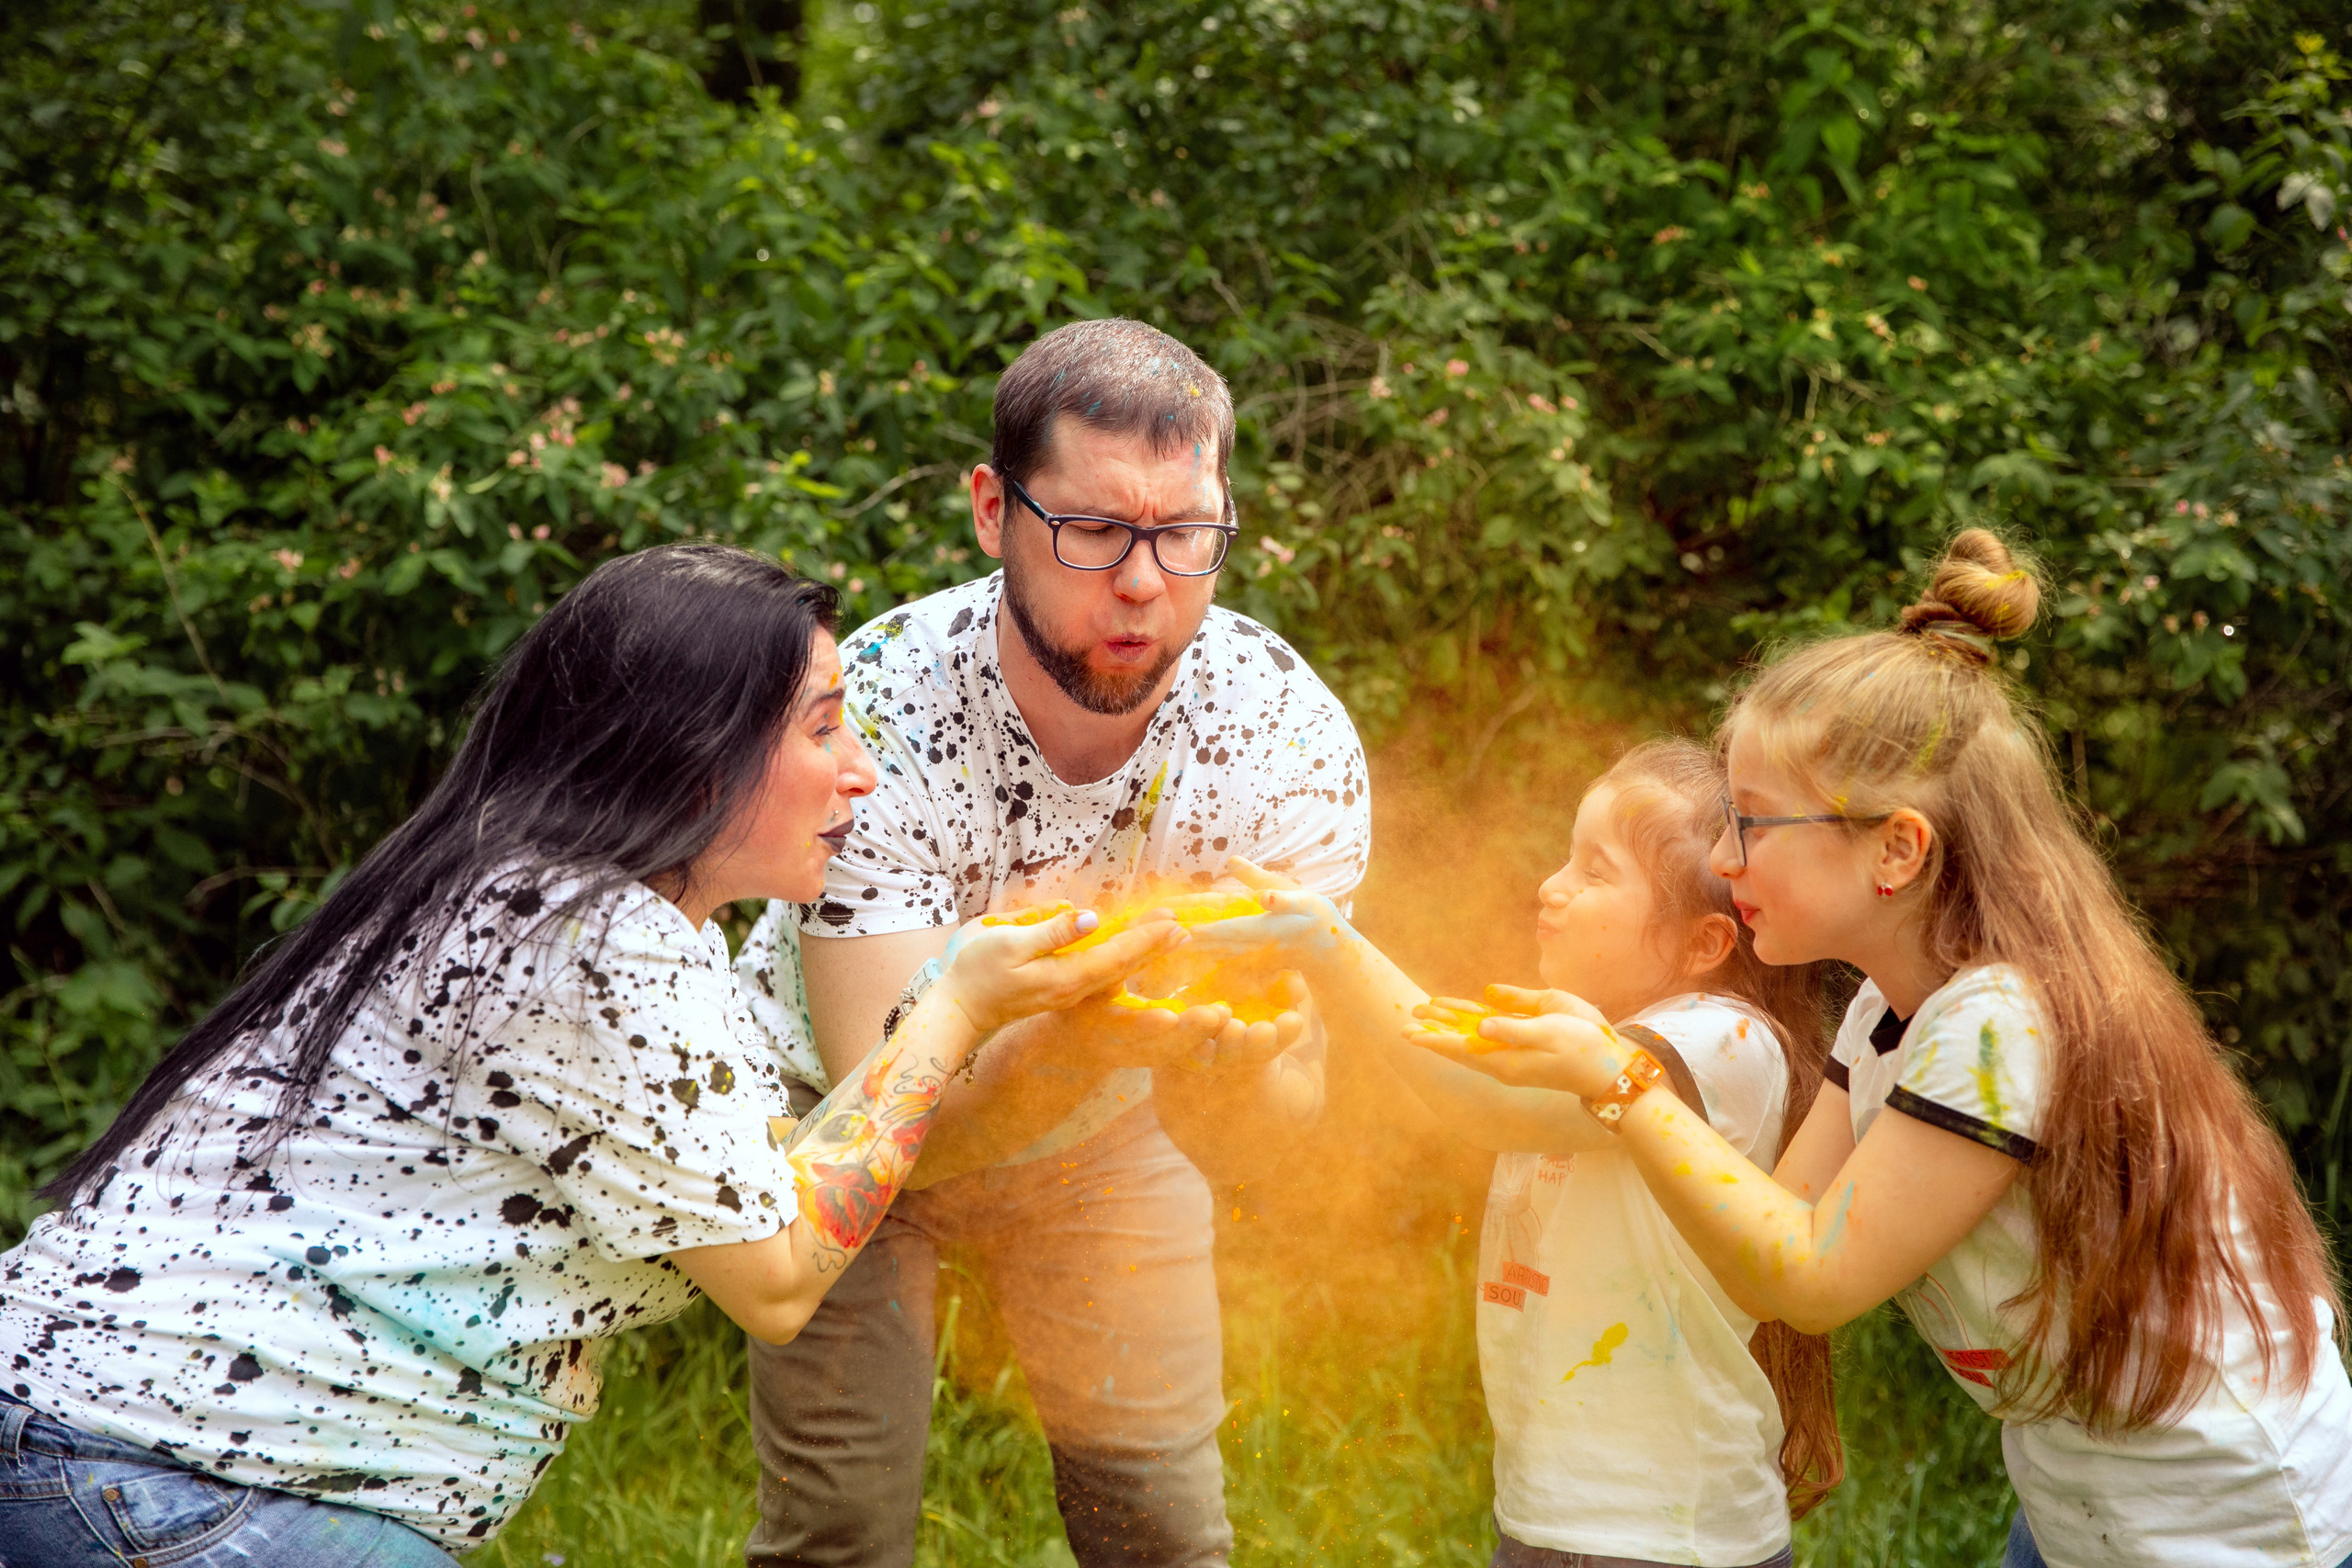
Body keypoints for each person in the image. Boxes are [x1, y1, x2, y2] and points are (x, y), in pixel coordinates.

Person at [0, 545, 1186, 1566]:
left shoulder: (540, 897)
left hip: (122, 1453)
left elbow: (755, 1175)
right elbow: (776, 1273)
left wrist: (1036, 1033)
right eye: (824, 722)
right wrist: (948, 1010)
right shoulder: (591, 940)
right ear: (691, 750)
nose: (861, 768)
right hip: (171, 1479)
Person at [1422, 531, 2352, 1568]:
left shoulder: (2000, 1029)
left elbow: (1812, 1275)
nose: (1724, 859)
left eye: (1755, 824)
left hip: (2223, 1518)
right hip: (2080, 1497)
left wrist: (1620, 1082)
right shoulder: (1884, 1013)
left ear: (1897, 850)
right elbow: (1782, 1223)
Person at [732, 318, 1372, 1567]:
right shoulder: (875, 715)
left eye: (1184, 533)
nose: (1142, 581)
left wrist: (1230, 1069)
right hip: (852, 1117)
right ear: (993, 509)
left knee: (1166, 1533)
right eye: (1092, 530)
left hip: (1111, 1126)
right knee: (838, 1539)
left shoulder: (1287, 738)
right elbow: (894, 1106)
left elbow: (1296, 1117)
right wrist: (1097, 1030)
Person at [1190, 741, 1841, 1568]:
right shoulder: (1588, 1031)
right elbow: (1456, 1074)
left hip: (1668, 1539)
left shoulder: (1723, 1042)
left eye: (1594, 872)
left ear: (1705, 940)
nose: (1552, 887)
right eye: (1566, 859)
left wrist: (1330, 945)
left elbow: (1492, 1100)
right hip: (1550, 1519)